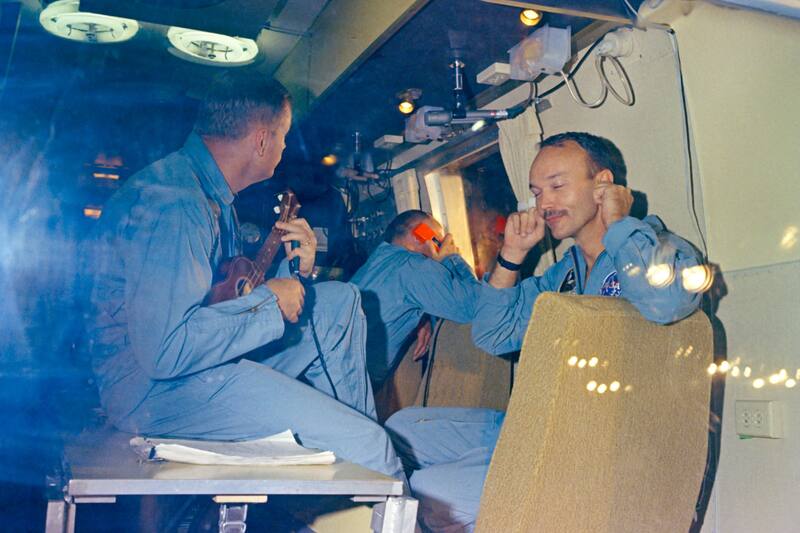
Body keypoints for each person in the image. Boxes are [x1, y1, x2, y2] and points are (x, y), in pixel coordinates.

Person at [82, 71, 404, 479]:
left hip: (183, 371)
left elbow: (221, 304)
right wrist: (271, 300)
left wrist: (296, 272)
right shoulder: (179, 206)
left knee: (339, 301)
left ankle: (343, 445)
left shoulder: (204, 192)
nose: (285, 147)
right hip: (153, 390)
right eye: (284, 136)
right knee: (371, 444)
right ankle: (356, 450)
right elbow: (166, 351)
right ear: (261, 140)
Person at [385, 132, 704, 532]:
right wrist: (511, 255)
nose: (545, 203)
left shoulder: (663, 251)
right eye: (537, 191)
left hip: (605, 443)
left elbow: (665, 303)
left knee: (431, 490)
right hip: (551, 423)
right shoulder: (564, 273)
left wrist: (620, 225)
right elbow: (493, 334)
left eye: (557, 186)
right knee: (400, 429)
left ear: (603, 184)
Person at [350, 210, 480, 387]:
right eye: (438, 241)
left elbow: (397, 295)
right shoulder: (415, 267)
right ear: (420, 236)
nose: (440, 246)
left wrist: (422, 317)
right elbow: (475, 307)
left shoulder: (381, 258)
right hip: (354, 380)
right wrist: (452, 258)